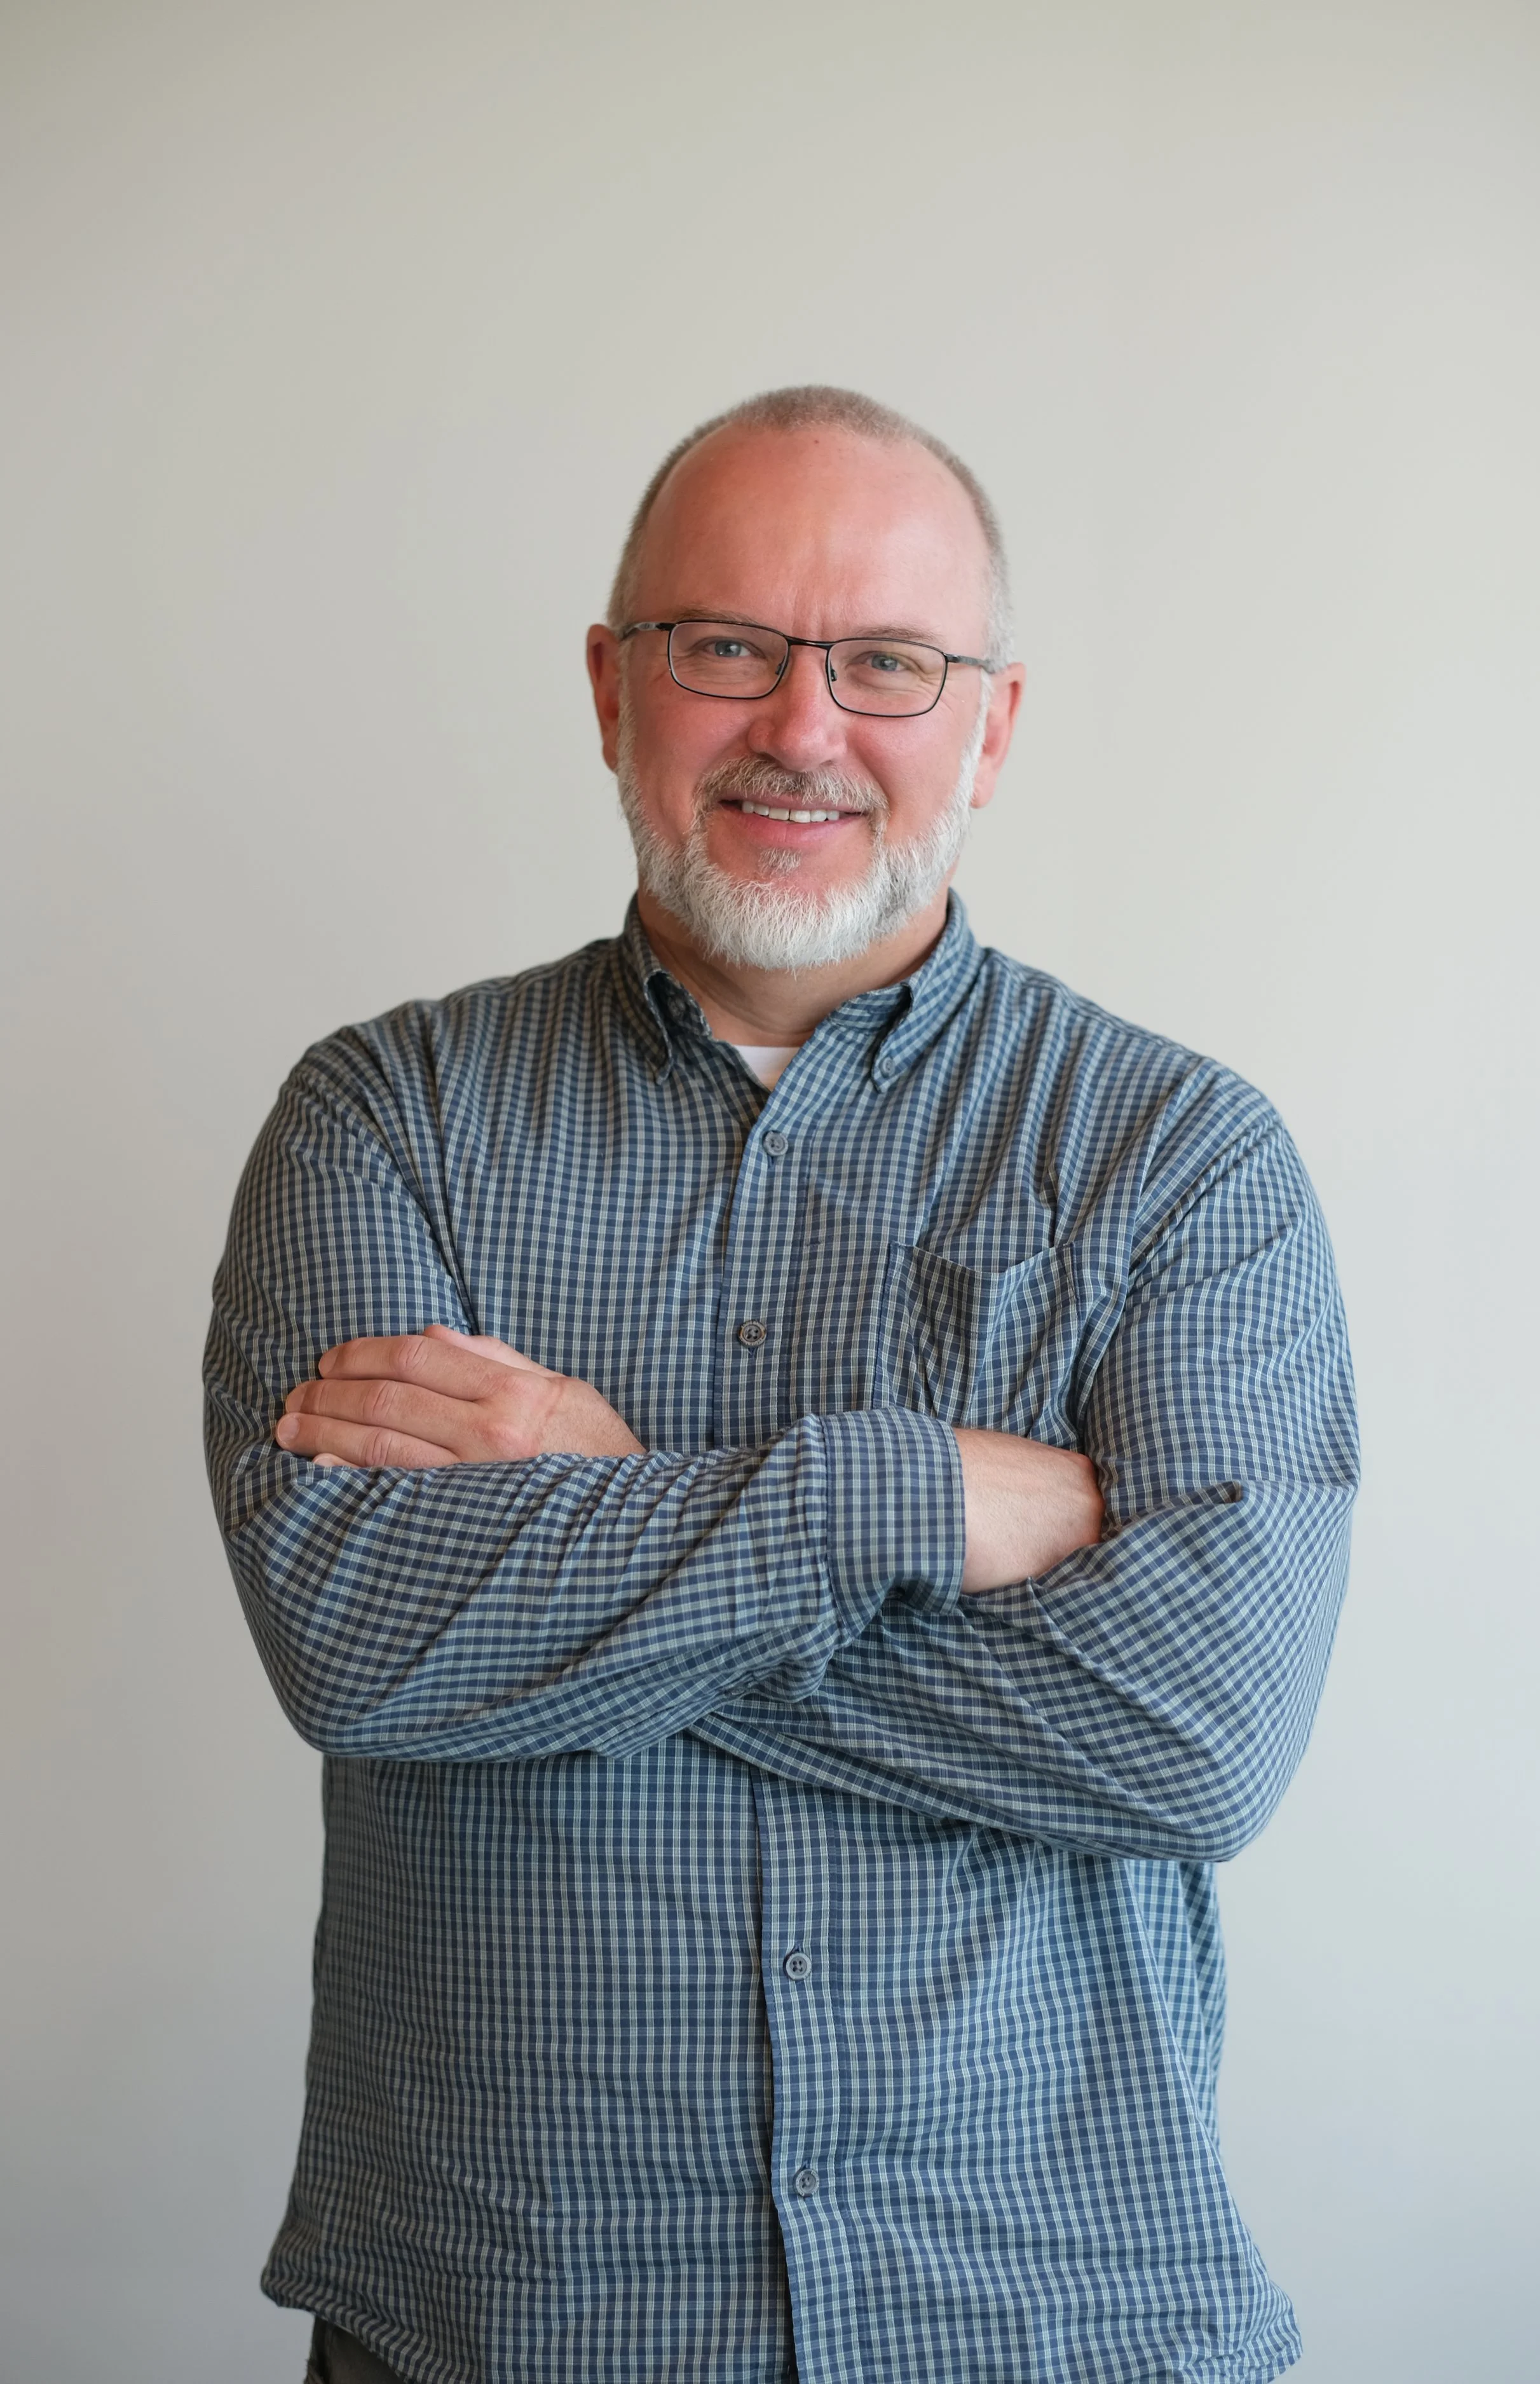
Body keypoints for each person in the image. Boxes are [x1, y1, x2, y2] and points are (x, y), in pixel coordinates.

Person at [204, 385, 1358, 2384]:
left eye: (887, 662)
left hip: (1044, 2310)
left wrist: (608, 1508)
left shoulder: (1182, 1159)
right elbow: (361, 1637)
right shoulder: (380, 1121)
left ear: (989, 720)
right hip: (500, 2317)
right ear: (611, 683)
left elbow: (1192, 1739)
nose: (802, 728)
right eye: (725, 645)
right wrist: (904, 1499)